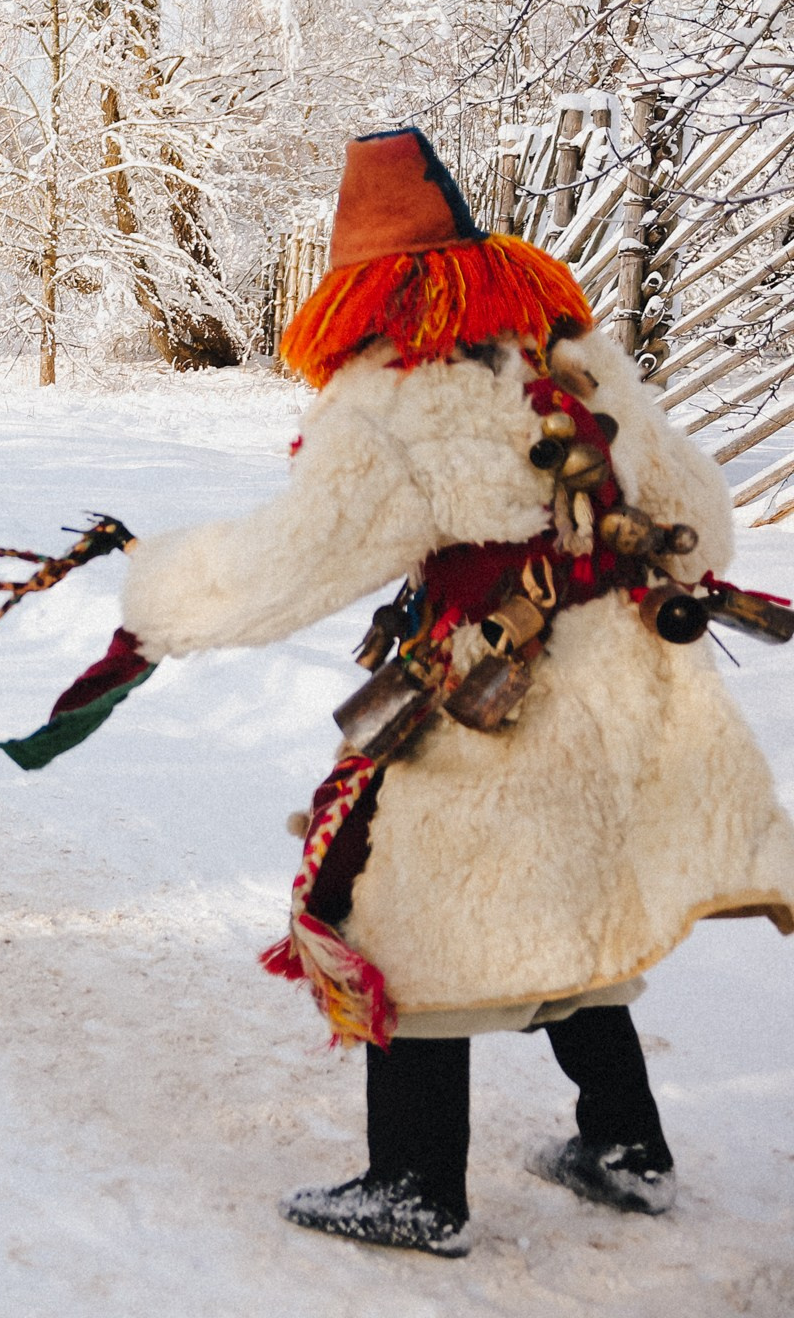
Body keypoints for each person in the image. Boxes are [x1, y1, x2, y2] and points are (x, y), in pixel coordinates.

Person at [112, 128, 794, 1256]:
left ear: (361, 286)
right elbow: (699, 518)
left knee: (403, 913)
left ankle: (417, 1185)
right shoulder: (566, 352)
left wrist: (160, 598)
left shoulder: (389, 395)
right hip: (627, 680)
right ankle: (627, 1146)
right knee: (582, 895)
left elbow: (298, 562)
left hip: (499, 691)